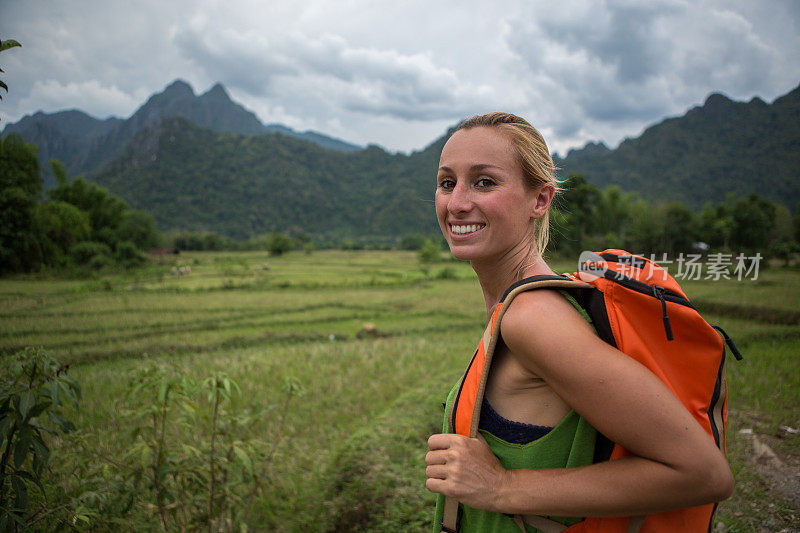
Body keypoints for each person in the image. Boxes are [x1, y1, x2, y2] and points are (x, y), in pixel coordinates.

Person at [424, 112, 734, 532]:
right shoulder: (516, 306)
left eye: (485, 182)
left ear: (540, 200)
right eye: (447, 182)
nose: (457, 202)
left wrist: (501, 487)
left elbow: (703, 473)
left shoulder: (534, 319)